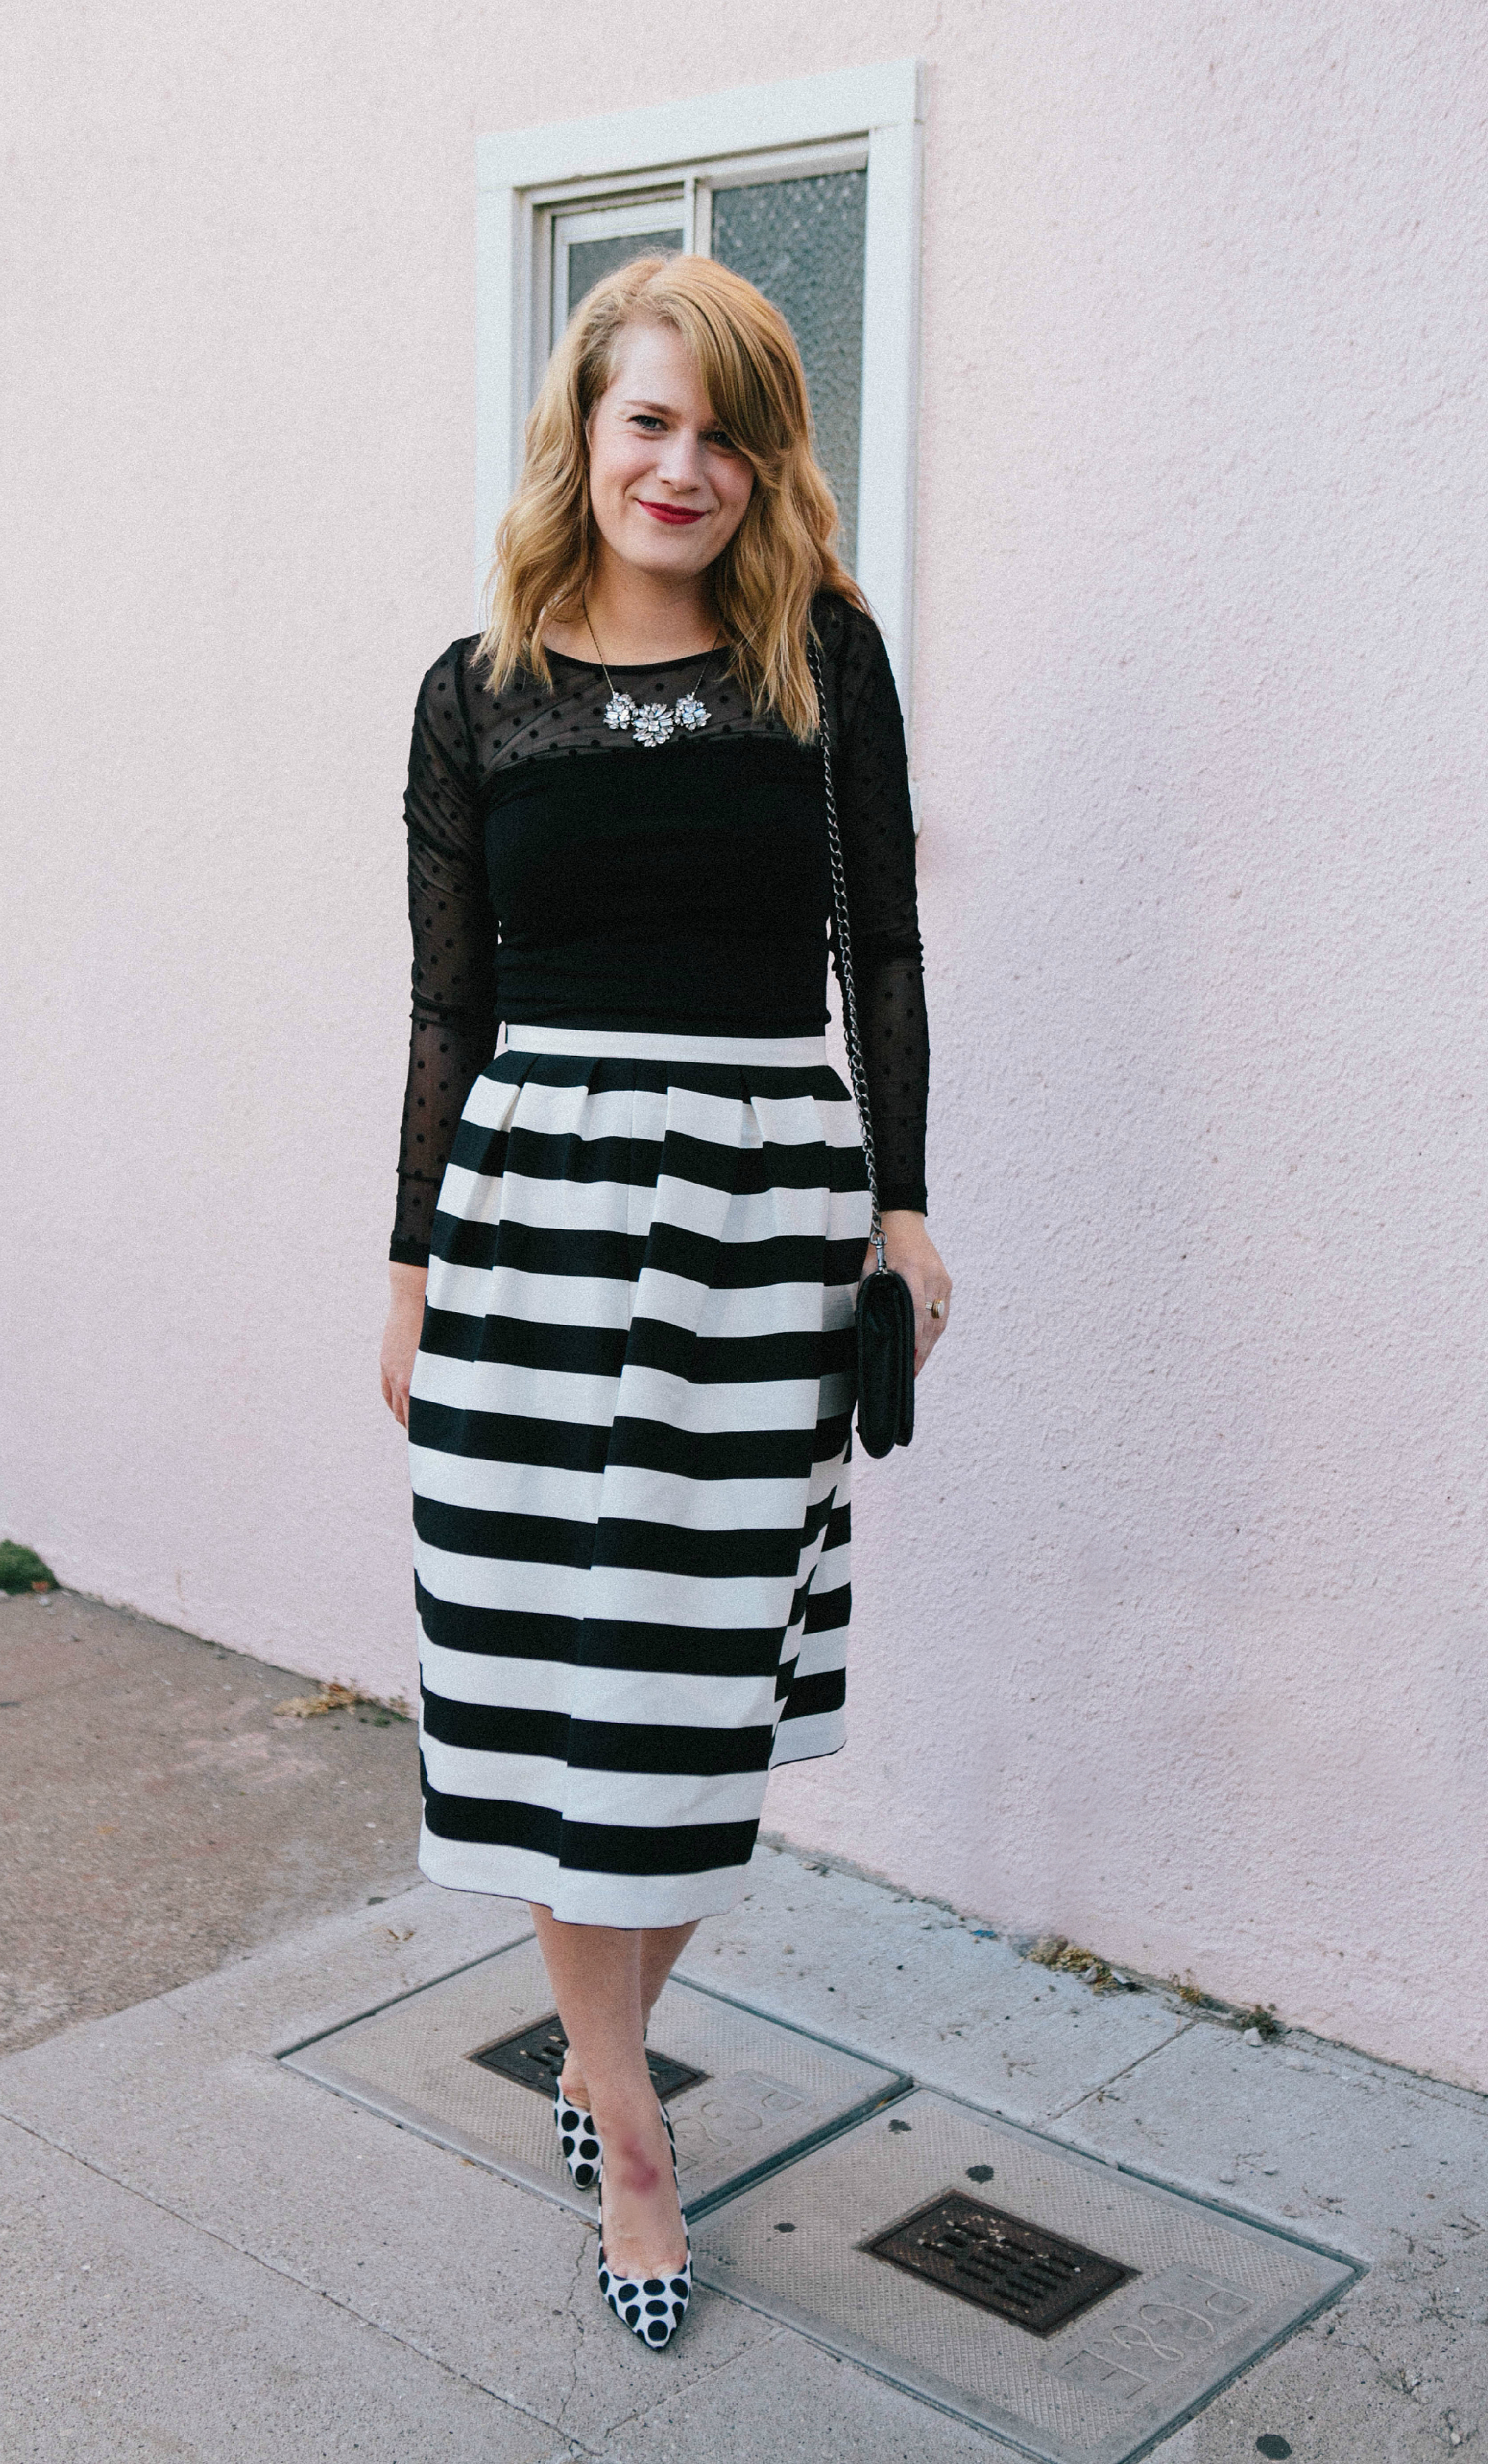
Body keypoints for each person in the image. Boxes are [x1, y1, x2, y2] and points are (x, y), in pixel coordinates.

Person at [379, 254, 948, 2348]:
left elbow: (879, 956)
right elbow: (449, 1001)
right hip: (526, 1227)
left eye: (722, 430)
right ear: (583, 435)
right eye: (645, 420)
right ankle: (624, 2123)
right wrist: (410, 1260)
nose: (680, 464)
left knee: (685, 1719)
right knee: (551, 1694)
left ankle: (600, 2064)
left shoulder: (823, 672)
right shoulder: (476, 689)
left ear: (762, 457)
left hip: (752, 1224)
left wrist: (899, 1215)